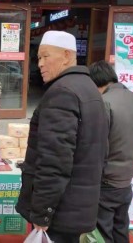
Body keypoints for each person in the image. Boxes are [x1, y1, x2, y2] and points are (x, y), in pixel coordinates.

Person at [15, 30, 109, 243]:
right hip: (78, 203)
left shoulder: (62, 93)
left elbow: (54, 160)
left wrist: (43, 212)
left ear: (67, 56)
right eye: (38, 57)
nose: (40, 63)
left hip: (61, 209)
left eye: (46, 56)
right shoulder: (89, 89)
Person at [88, 60, 133, 243]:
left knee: (103, 232)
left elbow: (99, 147)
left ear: (96, 83)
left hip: (107, 180)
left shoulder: (104, 103)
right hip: (126, 177)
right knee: (121, 228)